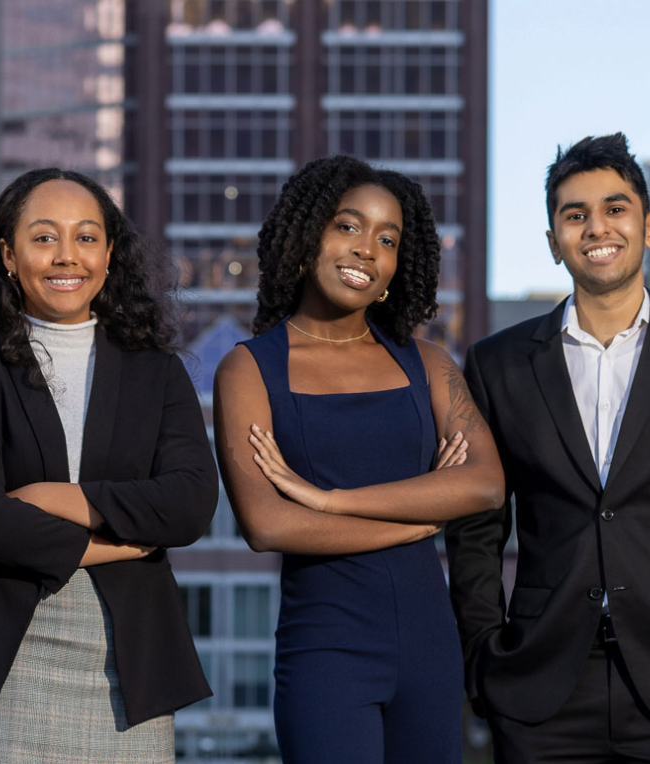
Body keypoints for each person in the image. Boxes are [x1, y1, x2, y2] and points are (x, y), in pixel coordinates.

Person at [445, 133, 650, 763]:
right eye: (575, 215)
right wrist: (483, 659)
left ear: (648, 227)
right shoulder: (497, 366)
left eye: (615, 208)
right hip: (541, 688)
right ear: (554, 242)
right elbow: (475, 530)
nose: (596, 227)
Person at [0, 168, 218, 763]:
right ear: (7, 254)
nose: (66, 256)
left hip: (129, 662)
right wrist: (123, 542)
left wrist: (55, 497)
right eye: (44, 237)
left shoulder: (156, 371)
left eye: (86, 237)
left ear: (109, 253)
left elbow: (188, 503)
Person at [213, 155, 504, 764]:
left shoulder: (428, 364)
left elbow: (483, 484)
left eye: (387, 238)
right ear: (308, 235)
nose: (367, 249)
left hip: (430, 646)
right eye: (348, 226)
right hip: (327, 650)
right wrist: (421, 508)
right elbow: (268, 525)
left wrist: (329, 499)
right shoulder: (250, 368)